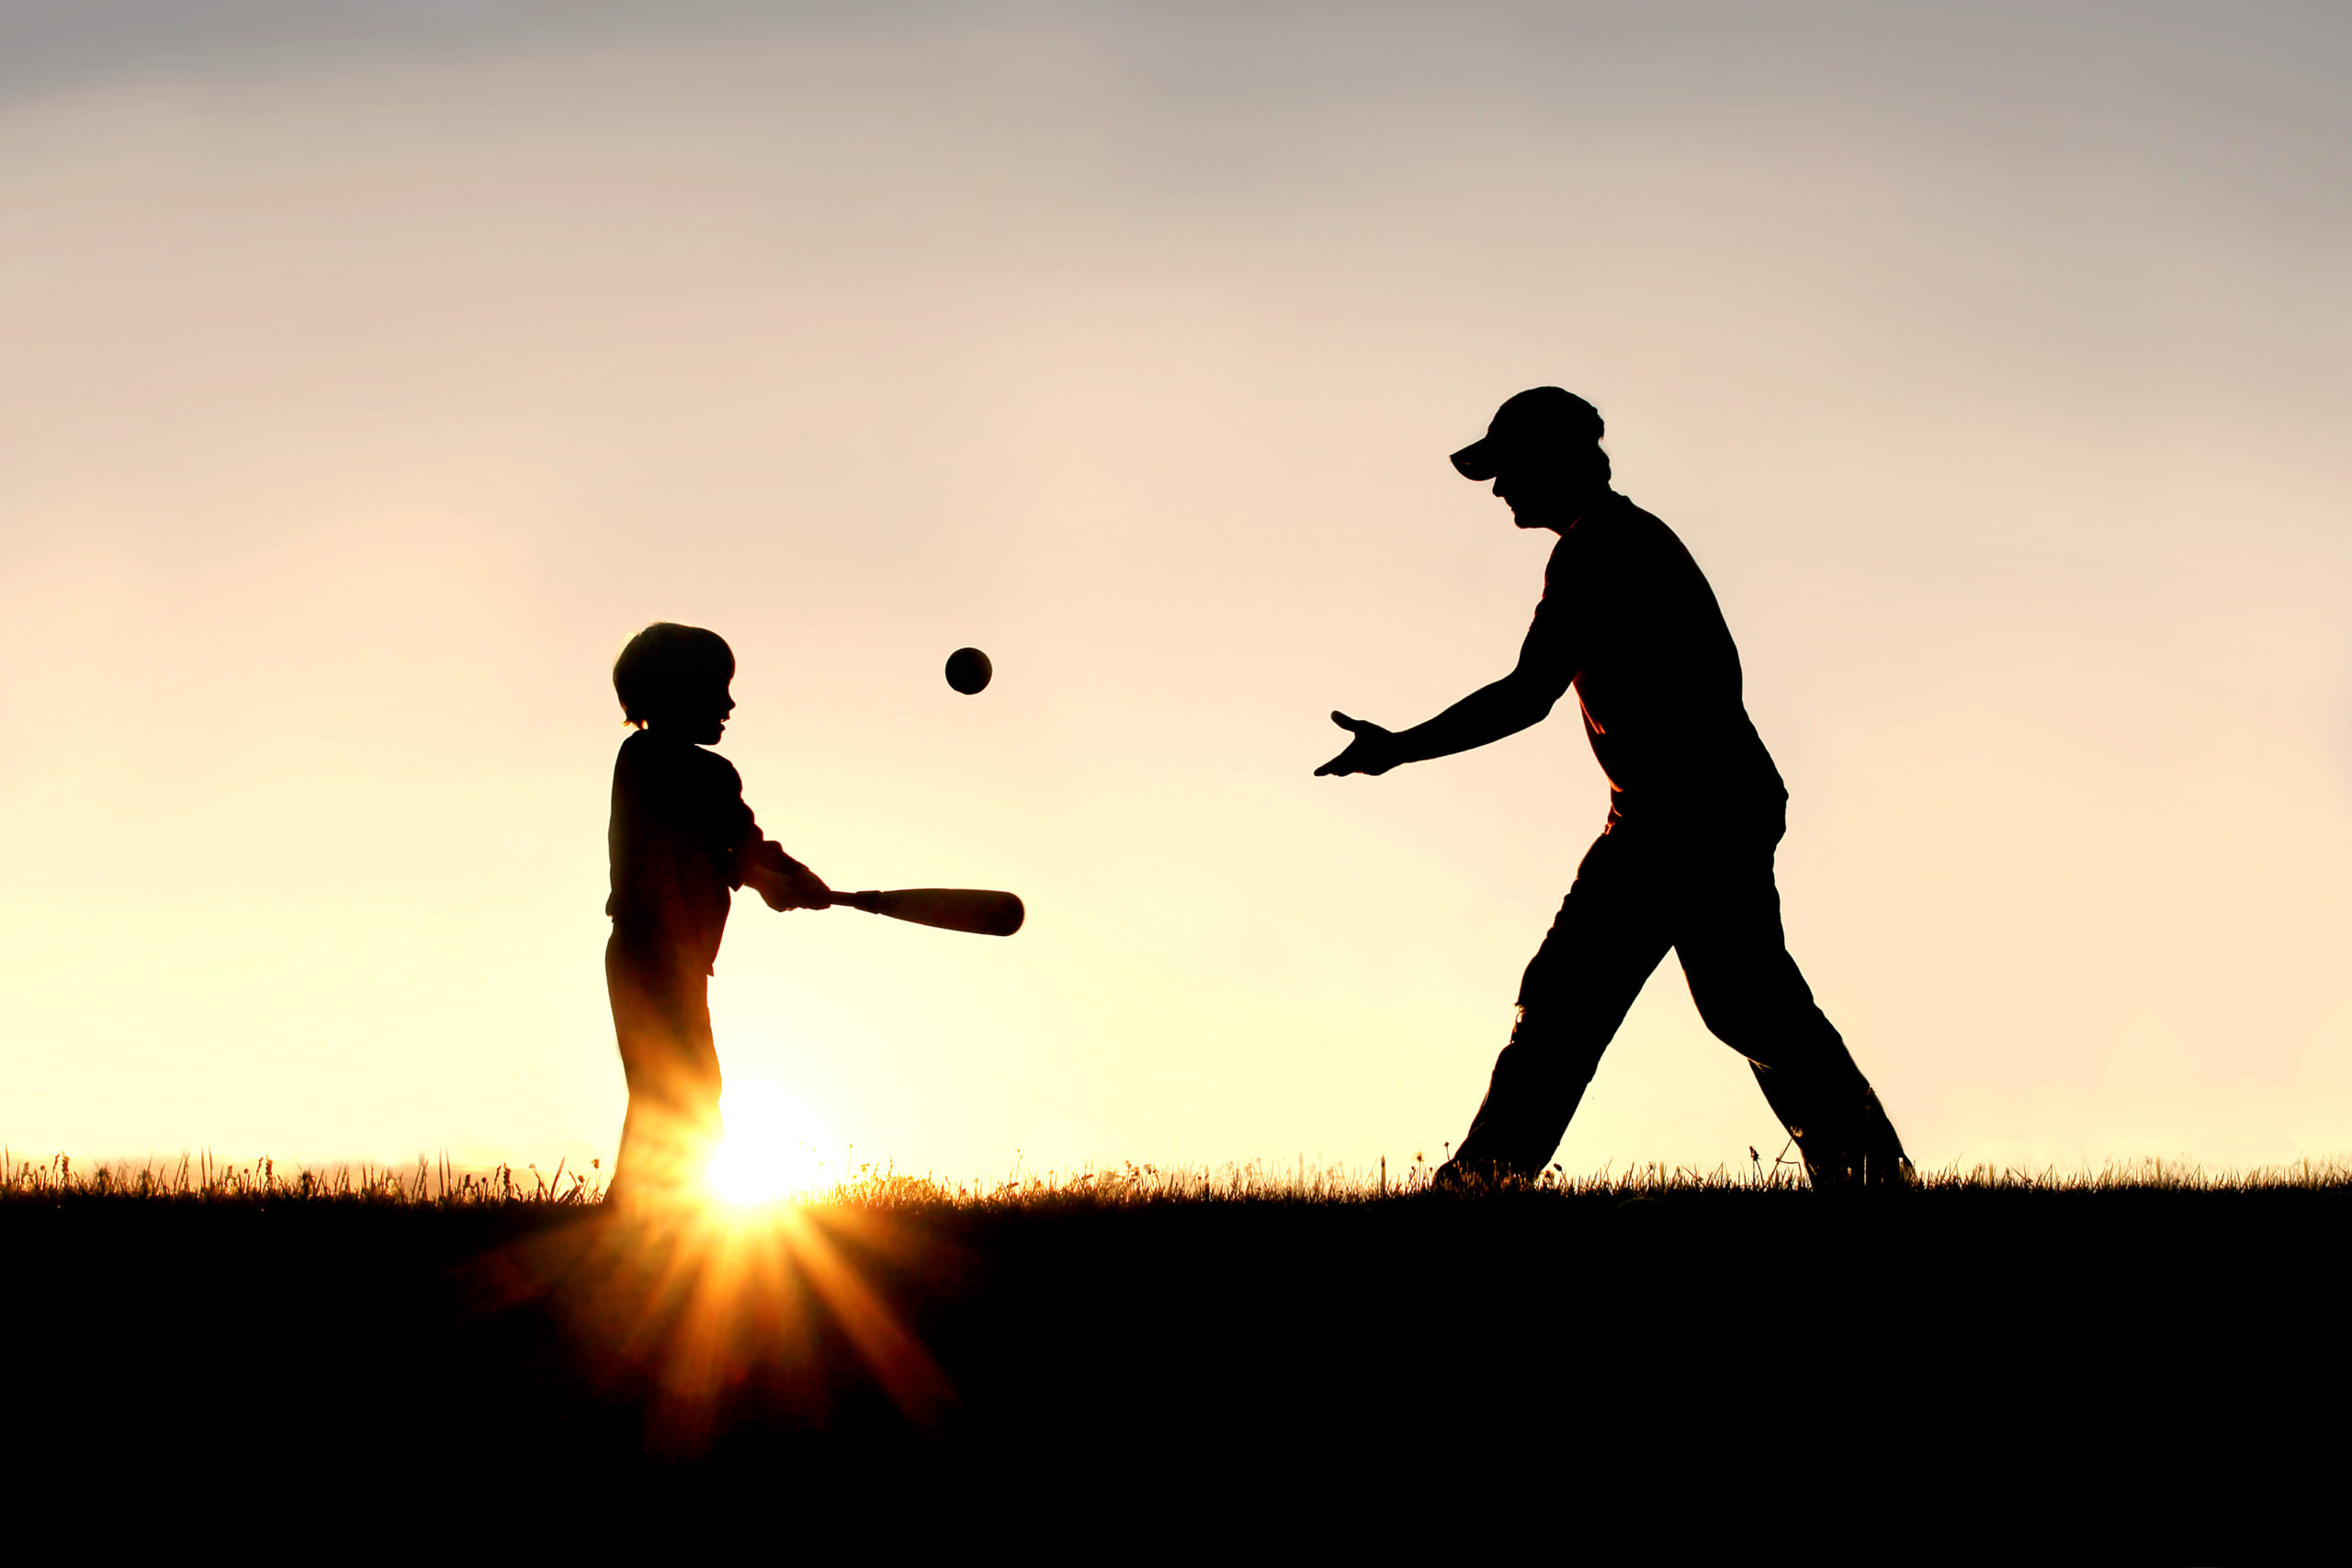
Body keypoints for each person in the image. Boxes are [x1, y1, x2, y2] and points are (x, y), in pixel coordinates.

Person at [1316, 388, 1910, 1189]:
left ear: (1556, 461)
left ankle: (1482, 1181)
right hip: (1702, 806)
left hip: (1679, 816)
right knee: (1746, 1002)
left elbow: (1528, 694)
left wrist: (1400, 748)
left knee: (1570, 1000)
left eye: (1508, 469)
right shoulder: (1630, 538)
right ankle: (1872, 1173)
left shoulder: (1601, 548)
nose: (1498, 490)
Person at [603, 622, 831, 1206]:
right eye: (715, 687)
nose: (729, 703)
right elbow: (679, 850)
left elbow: (741, 842)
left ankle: (641, 1213)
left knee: (684, 1087)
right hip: (646, 949)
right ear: (671, 692)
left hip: (682, 958)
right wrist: (757, 877)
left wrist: (791, 876)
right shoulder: (645, 761)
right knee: (680, 1088)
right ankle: (662, 1214)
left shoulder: (715, 775)